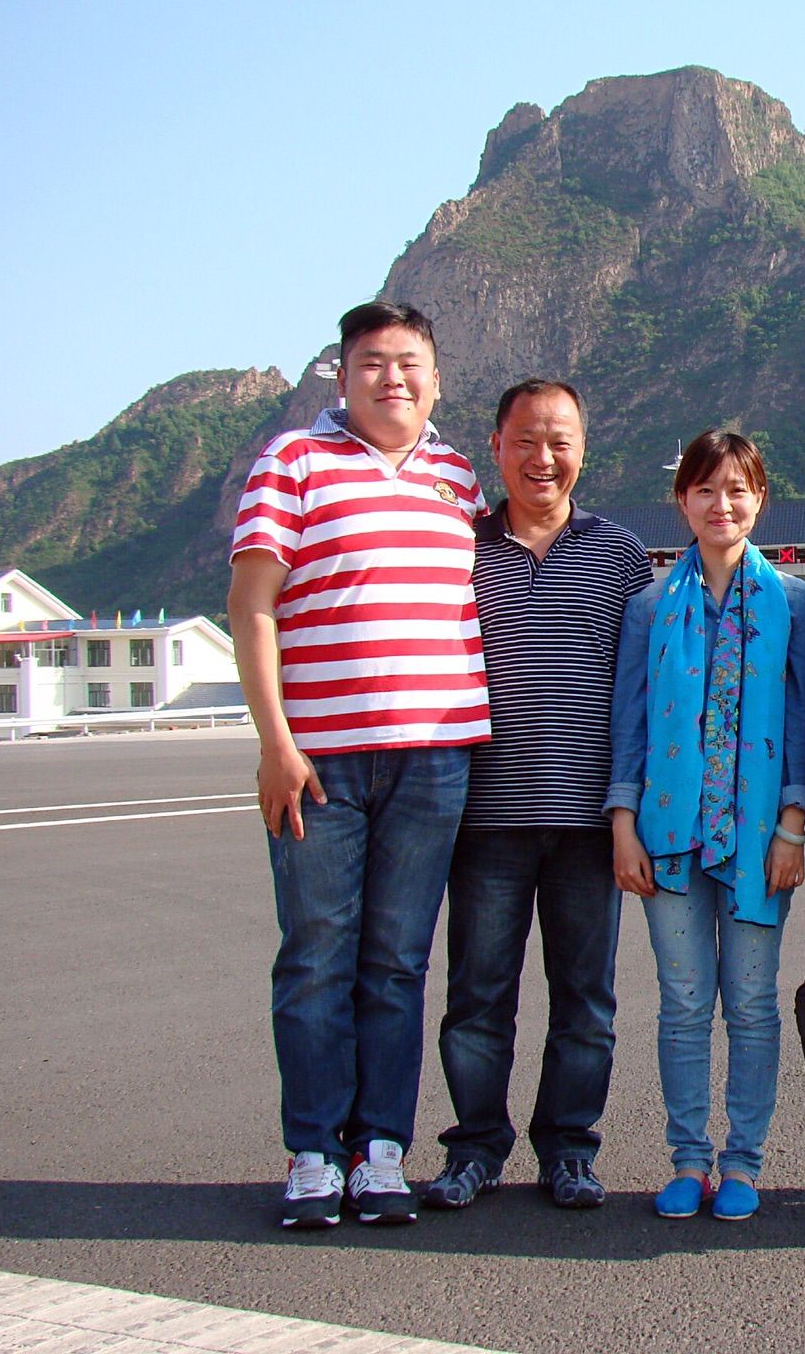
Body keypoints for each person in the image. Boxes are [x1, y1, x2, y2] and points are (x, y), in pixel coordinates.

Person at [229, 301, 489, 1229]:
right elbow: (252, 606)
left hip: (433, 760)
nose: (392, 378)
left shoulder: (457, 475)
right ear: (341, 376)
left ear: (437, 377)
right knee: (314, 959)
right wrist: (276, 743)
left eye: (409, 362)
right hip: (321, 761)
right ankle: (312, 1151)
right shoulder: (292, 462)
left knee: (394, 965)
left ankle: (380, 1150)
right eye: (371, 362)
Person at [420, 378, 651, 1214]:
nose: (542, 458)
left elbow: (643, 694)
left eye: (559, 440)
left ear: (583, 449)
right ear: (496, 448)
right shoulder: (458, 550)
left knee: (585, 1000)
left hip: (591, 823)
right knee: (478, 996)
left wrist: (632, 812)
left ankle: (569, 1149)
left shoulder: (620, 555)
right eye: (525, 440)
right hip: (483, 820)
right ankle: (476, 1146)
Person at [605, 430, 805, 1222]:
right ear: (682, 501)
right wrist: (623, 822)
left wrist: (793, 827)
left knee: (754, 1003)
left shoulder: (796, 604)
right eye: (705, 489)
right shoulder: (649, 607)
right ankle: (688, 1158)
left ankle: (743, 1160)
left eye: (738, 489)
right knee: (684, 1002)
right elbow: (627, 720)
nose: (721, 504)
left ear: (760, 498)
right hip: (668, 832)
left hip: (761, 836)